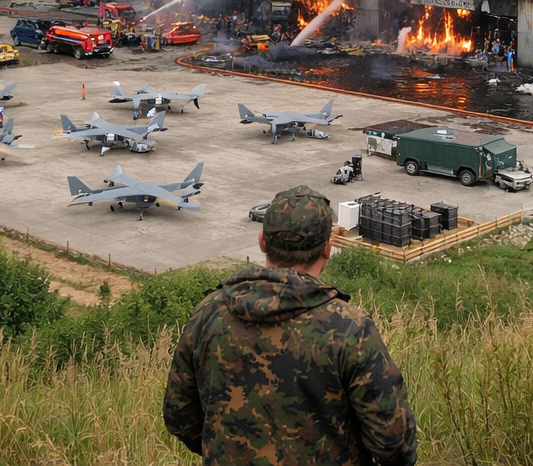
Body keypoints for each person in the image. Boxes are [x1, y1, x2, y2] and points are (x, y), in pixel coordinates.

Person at [164, 185, 417, 466]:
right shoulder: (349, 330)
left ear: (262, 242)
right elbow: (393, 443)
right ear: (327, 249)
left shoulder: (208, 315)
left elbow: (179, 417)